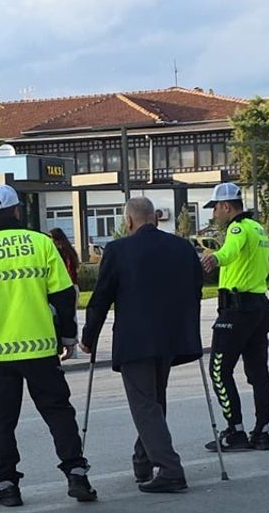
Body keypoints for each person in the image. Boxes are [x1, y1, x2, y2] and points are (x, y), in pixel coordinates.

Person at [0, 183, 96, 507]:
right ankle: (76, 473)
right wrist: (68, 338)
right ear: (17, 210)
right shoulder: (41, 243)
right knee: (58, 413)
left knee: (2, 422)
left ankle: (6, 486)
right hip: (40, 348)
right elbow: (64, 294)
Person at [81, 196, 203, 493]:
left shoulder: (118, 250)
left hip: (135, 340)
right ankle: (143, 461)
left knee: (145, 404)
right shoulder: (182, 247)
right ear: (155, 218)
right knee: (155, 401)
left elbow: (101, 298)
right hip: (171, 338)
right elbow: (195, 288)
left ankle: (170, 469)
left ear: (129, 221)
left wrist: (88, 337)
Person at [200, 182, 269, 453]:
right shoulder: (258, 228)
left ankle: (235, 432)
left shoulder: (237, 228)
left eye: (215, 208)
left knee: (219, 370)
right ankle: (262, 432)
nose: (214, 214)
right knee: (258, 372)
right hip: (260, 308)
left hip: (237, 310)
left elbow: (229, 253)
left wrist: (213, 259)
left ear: (227, 206)